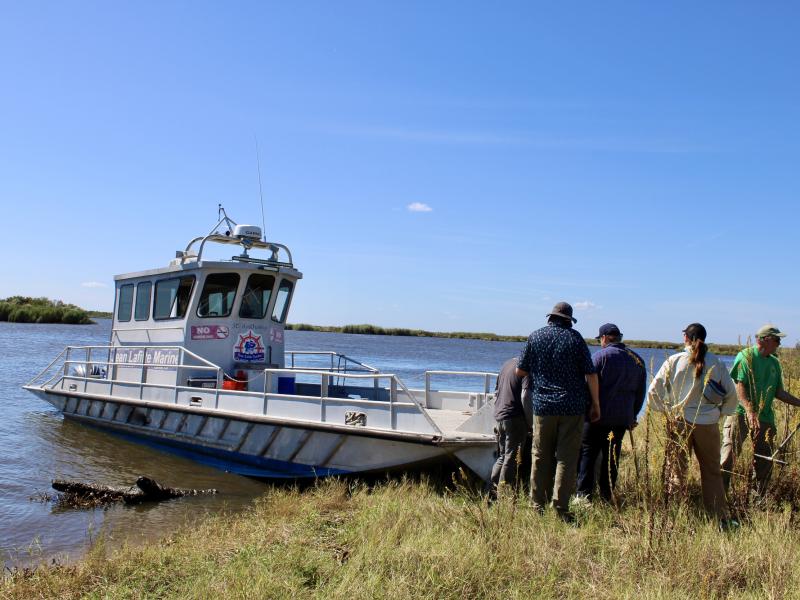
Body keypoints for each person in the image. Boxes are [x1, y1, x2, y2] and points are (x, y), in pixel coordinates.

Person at [516, 301, 600, 521]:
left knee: (540, 456)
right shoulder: (576, 339)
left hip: (543, 406)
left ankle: (536, 506)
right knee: (566, 458)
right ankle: (561, 508)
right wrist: (596, 404)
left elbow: (520, 370)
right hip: (573, 407)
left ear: (550, 318)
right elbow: (590, 374)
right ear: (568, 321)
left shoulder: (535, 337)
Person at [648, 323, 738, 526]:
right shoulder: (716, 362)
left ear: (685, 338)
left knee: (676, 471)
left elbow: (653, 393)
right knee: (712, 472)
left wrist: (667, 411)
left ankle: (674, 517)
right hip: (708, 424)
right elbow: (731, 396)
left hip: (679, 422)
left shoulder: (674, 361)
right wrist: (719, 414)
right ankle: (718, 518)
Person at [720, 324, 800, 494]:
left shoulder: (774, 363)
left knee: (765, 459)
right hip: (741, 414)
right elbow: (739, 385)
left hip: (765, 418)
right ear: (765, 340)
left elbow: (779, 392)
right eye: (777, 340)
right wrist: (750, 411)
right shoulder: (746, 356)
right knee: (728, 456)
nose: (779, 343)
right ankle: (719, 497)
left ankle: (759, 498)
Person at [577, 323, 646, 502]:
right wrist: (633, 415)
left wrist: (586, 411)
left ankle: (584, 496)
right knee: (612, 458)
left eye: (600, 339)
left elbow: (586, 387)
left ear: (605, 338)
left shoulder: (599, 357)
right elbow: (640, 393)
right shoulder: (637, 360)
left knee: (588, 455)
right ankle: (607, 495)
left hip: (596, 417)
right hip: (621, 418)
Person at [490, 358, 532, 493]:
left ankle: (492, 490)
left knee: (503, 456)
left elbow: (496, 392)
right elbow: (525, 396)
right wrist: (530, 422)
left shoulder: (506, 364)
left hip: (500, 415)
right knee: (511, 457)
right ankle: (504, 493)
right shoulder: (526, 367)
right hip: (515, 417)